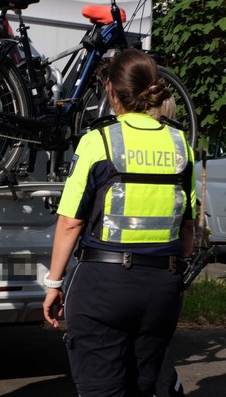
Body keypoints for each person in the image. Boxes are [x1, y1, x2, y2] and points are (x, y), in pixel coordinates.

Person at [42, 48, 196, 397]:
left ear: (111, 90)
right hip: (162, 286)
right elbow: (187, 226)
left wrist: (54, 283)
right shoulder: (178, 142)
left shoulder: (99, 140)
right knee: (147, 386)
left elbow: (70, 222)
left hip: (103, 287)